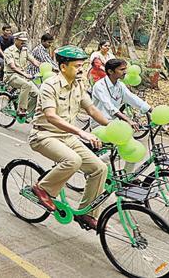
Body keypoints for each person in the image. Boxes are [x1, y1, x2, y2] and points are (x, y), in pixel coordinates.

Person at [29, 45, 110, 230]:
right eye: (77, 65)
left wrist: (111, 126)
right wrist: (81, 132)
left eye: (82, 65)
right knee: (73, 160)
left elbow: (91, 109)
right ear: (63, 67)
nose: (81, 69)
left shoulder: (79, 84)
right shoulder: (50, 85)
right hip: (44, 135)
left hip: (67, 136)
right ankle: (43, 188)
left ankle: (87, 213)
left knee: (100, 168)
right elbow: (51, 116)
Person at [91, 59, 151, 132]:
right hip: (99, 125)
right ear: (110, 71)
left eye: (125, 69)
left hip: (114, 123)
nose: (125, 72)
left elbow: (132, 98)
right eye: (122, 69)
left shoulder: (120, 85)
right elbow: (109, 107)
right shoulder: (99, 86)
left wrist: (150, 109)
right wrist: (128, 120)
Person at [3, 32, 40, 117]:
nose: (23, 42)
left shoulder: (25, 50)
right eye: (21, 40)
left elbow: (35, 61)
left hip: (23, 77)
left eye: (24, 41)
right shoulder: (9, 51)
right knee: (26, 85)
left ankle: (27, 114)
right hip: (11, 76)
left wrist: (52, 68)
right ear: (15, 40)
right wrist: (25, 75)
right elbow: (13, 67)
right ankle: (21, 109)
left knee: (37, 94)